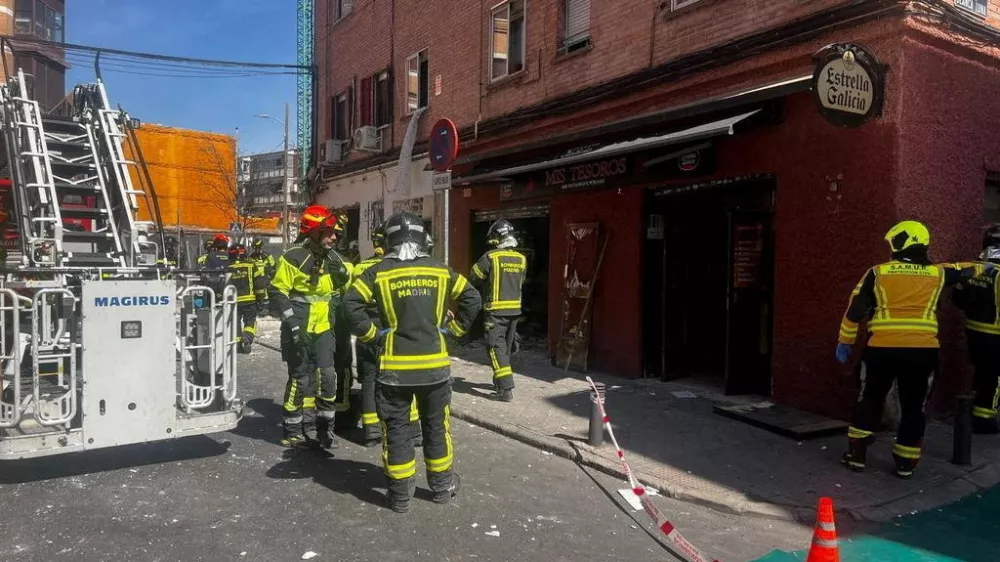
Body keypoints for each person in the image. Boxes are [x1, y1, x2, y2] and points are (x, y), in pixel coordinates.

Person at [344, 211, 481, 513]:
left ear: (389, 238)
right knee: (436, 426)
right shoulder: (440, 270)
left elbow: (350, 304)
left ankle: (400, 496)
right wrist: (453, 334)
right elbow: (472, 299)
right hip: (434, 368)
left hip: (395, 371)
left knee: (396, 431)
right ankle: (442, 488)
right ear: (423, 239)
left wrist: (373, 336)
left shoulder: (379, 272)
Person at [836, 220, 978, 478]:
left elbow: (855, 312)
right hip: (922, 352)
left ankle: (857, 454)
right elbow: (967, 271)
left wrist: (845, 341)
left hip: (881, 349)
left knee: (869, 399)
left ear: (901, 243)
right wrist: (984, 267)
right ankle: (906, 463)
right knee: (914, 406)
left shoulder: (877, 273)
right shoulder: (938, 274)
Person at [269, 206, 352, 450]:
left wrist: (341, 273)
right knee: (300, 378)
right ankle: (292, 431)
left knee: (328, 377)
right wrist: (292, 323)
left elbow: (345, 277)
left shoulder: (332, 257)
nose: (334, 237)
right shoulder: (294, 256)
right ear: (314, 232)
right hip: (301, 325)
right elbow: (277, 290)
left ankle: (325, 430)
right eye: (329, 232)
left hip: (324, 327)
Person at [352, 220, 422, 446]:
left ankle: (371, 430)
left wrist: (366, 331)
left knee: (370, 379)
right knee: (405, 377)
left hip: (368, 330)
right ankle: (413, 430)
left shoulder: (360, 268)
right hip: (394, 329)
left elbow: (350, 302)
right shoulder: (398, 267)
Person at [469, 219, 527, 402]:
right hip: (514, 311)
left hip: (495, 312)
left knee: (495, 348)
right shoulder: (522, 259)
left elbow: (474, 277)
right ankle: (499, 381)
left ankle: (506, 388)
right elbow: (521, 281)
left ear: (496, 237)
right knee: (505, 349)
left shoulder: (490, 257)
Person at [952, 224, 1000, 434]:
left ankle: (977, 412)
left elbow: (957, 298)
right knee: (995, 378)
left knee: (983, 373)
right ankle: (985, 419)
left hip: (973, 332)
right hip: (997, 334)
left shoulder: (974, 268)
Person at [228, 243, 267, 353]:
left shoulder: (227, 267)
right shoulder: (251, 265)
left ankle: (236, 344)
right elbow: (259, 284)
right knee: (250, 322)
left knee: (234, 323)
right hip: (250, 301)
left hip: (233, 301)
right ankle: (247, 338)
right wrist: (261, 300)